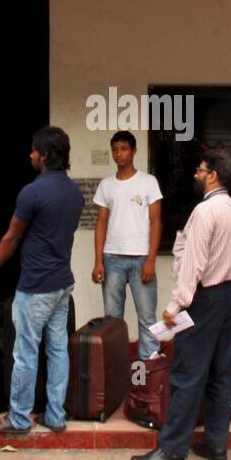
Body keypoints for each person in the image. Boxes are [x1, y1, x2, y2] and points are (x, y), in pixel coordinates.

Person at [131, 149, 231, 460]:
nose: (196, 175)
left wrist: (174, 306)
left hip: (203, 298)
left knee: (186, 374)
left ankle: (172, 449)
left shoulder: (204, 212)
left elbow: (193, 265)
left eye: (200, 170)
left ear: (213, 175)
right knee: (219, 373)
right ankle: (216, 445)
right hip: (227, 296)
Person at [0, 127, 83, 436]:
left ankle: (20, 418)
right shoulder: (75, 193)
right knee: (58, 350)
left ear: (46, 155)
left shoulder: (32, 192)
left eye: (34, 150)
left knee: (25, 353)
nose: (31, 155)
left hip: (36, 286)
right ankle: (55, 415)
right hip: (63, 283)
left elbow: (11, 236)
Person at [92, 131, 163, 358]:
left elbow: (156, 222)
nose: (118, 154)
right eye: (115, 149)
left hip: (142, 258)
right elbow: (101, 222)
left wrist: (151, 259)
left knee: (147, 317)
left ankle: (148, 369)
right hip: (112, 258)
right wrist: (98, 261)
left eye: (123, 149)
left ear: (134, 151)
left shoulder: (148, 181)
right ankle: (115, 368)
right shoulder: (106, 184)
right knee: (112, 320)